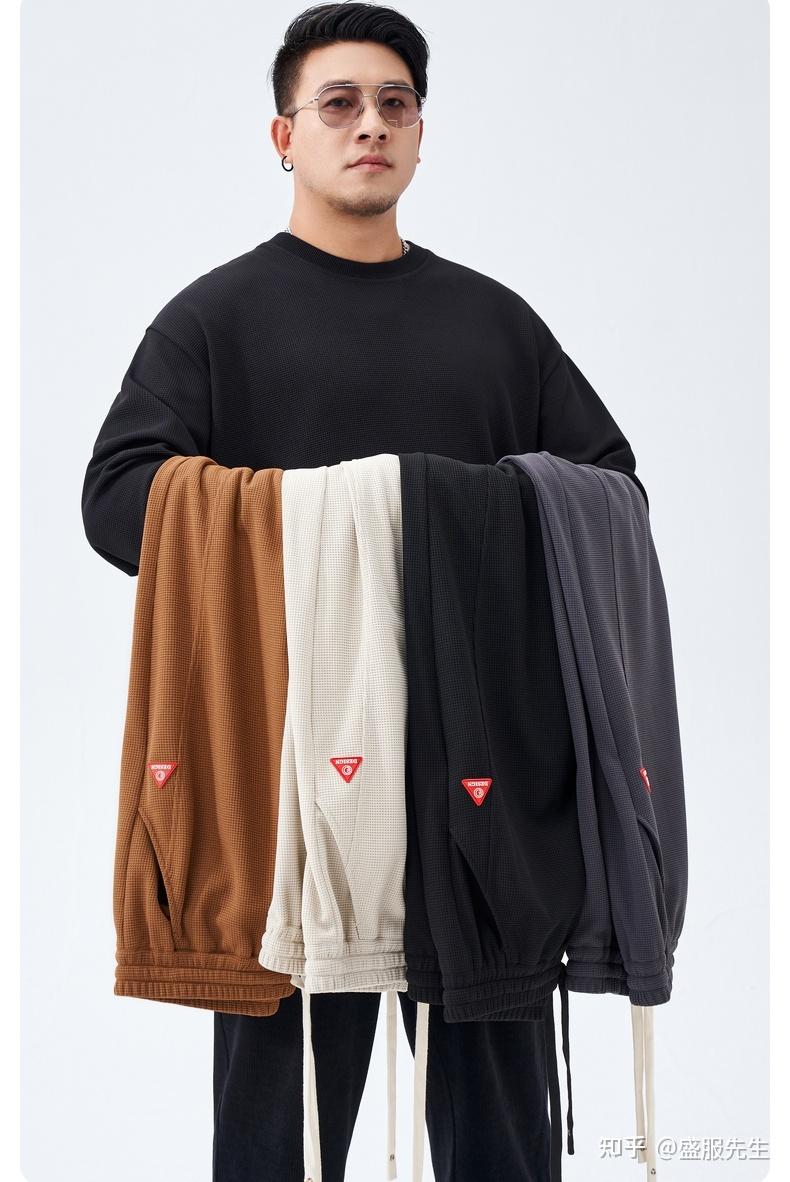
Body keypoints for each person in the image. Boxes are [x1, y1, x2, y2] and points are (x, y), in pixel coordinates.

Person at [81, 4, 647, 1179]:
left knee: (503, 1141)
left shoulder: (495, 324)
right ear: (283, 136)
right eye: (338, 103)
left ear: (422, 134)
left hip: (482, 770)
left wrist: (451, 511)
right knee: (273, 1142)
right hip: (287, 778)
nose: (370, 124)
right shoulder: (214, 320)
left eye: (395, 104)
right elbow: (117, 499)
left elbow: (610, 492)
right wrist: (319, 517)